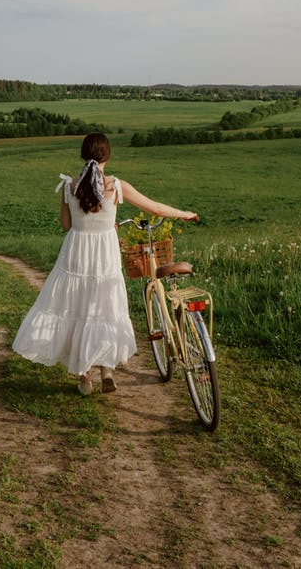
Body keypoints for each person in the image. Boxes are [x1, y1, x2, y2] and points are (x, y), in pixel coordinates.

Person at [12, 133, 198, 396]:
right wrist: (185, 214)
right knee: (104, 307)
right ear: (107, 156)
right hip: (105, 254)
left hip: (76, 253)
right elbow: (155, 208)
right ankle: (106, 368)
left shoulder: (70, 187)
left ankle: (84, 377)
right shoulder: (116, 186)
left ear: (82, 155)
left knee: (76, 308)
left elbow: (66, 226)